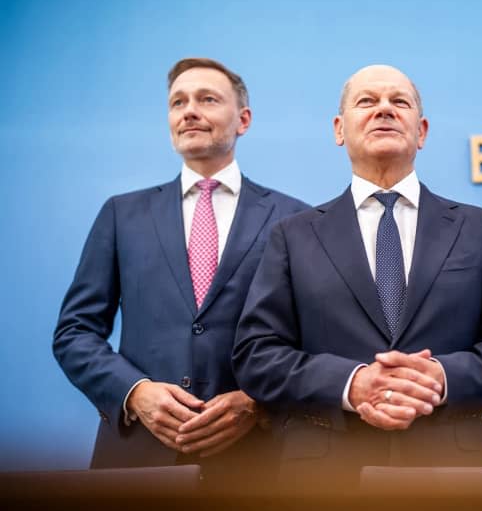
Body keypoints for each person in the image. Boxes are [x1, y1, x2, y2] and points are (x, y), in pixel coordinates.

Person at [233, 64, 482, 491]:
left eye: (399, 102)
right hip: (325, 479)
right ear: (339, 129)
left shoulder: (479, 228)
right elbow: (256, 355)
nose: (384, 110)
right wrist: (350, 383)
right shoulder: (293, 235)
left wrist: (441, 378)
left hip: (453, 475)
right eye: (367, 101)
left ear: (422, 131)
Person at [53, 58, 308, 487]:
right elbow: (74, 332)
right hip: (137, 459)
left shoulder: (295, 218)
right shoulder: (122, 214)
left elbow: (315, 340)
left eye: (207, 99)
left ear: (243, 120)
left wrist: (259, 402)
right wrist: (135, 392)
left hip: (259, 463)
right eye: (178, 103)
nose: (189, 111)